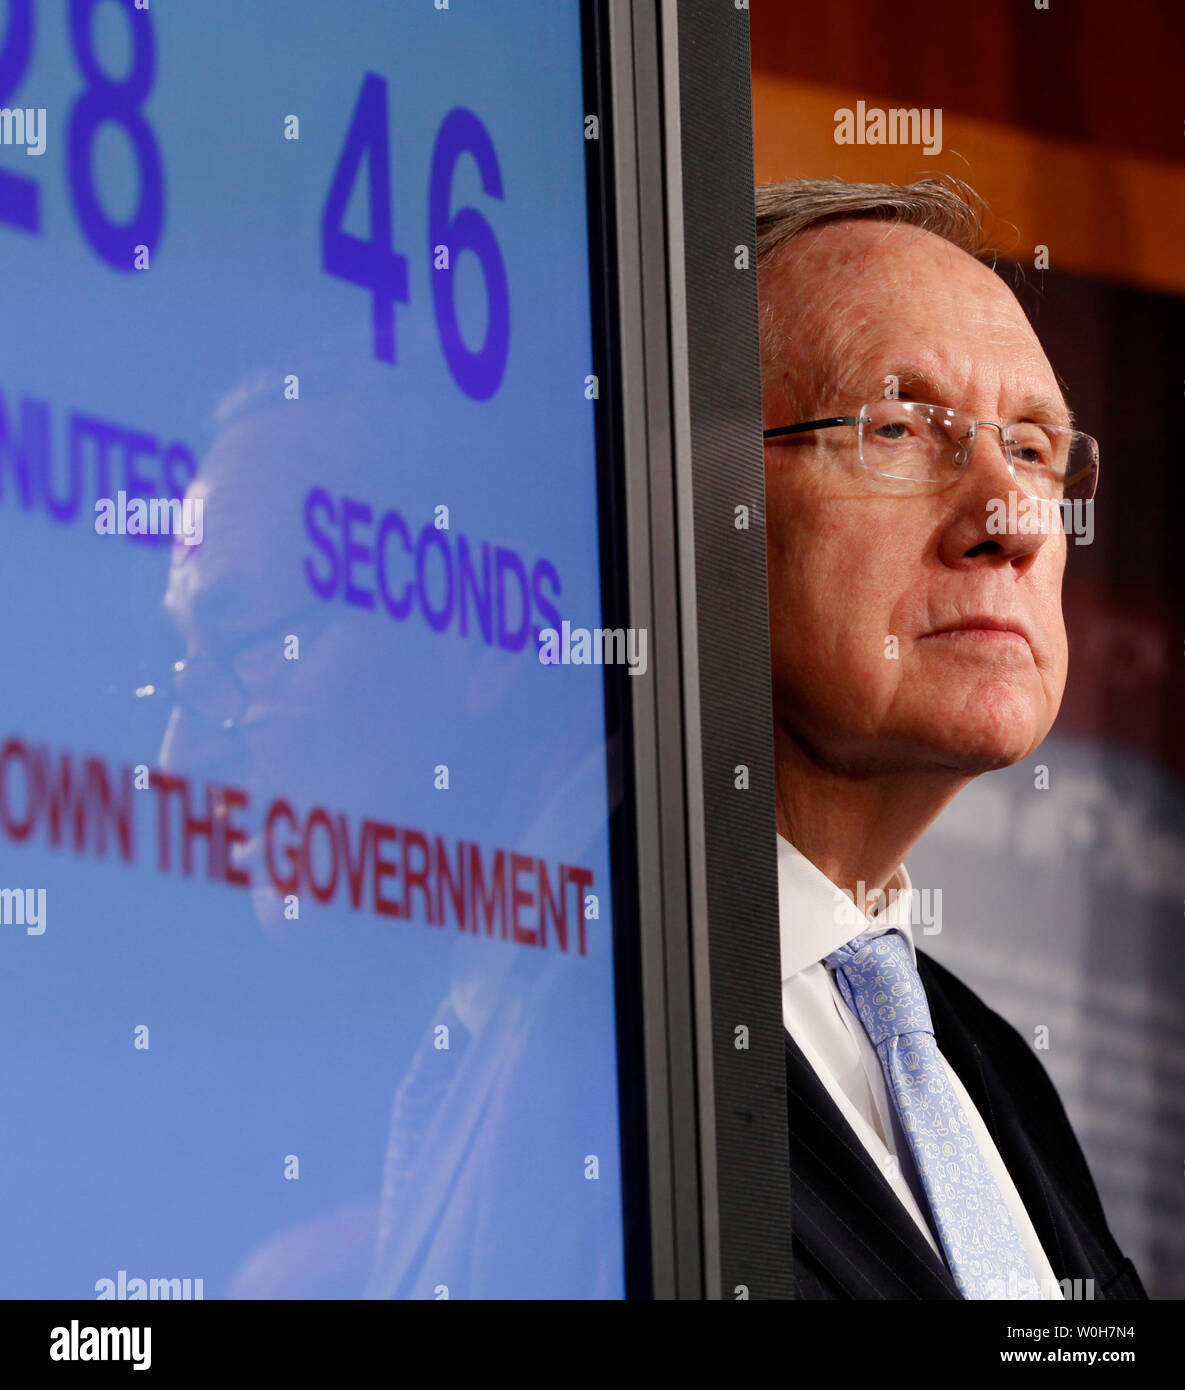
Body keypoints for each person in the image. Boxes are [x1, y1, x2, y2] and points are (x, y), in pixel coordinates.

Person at [756, 176, 1147, 1300]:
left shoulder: (995, 1077)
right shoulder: (594, 1014)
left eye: (1034, 449)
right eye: (898, 428)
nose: (1015, 519)